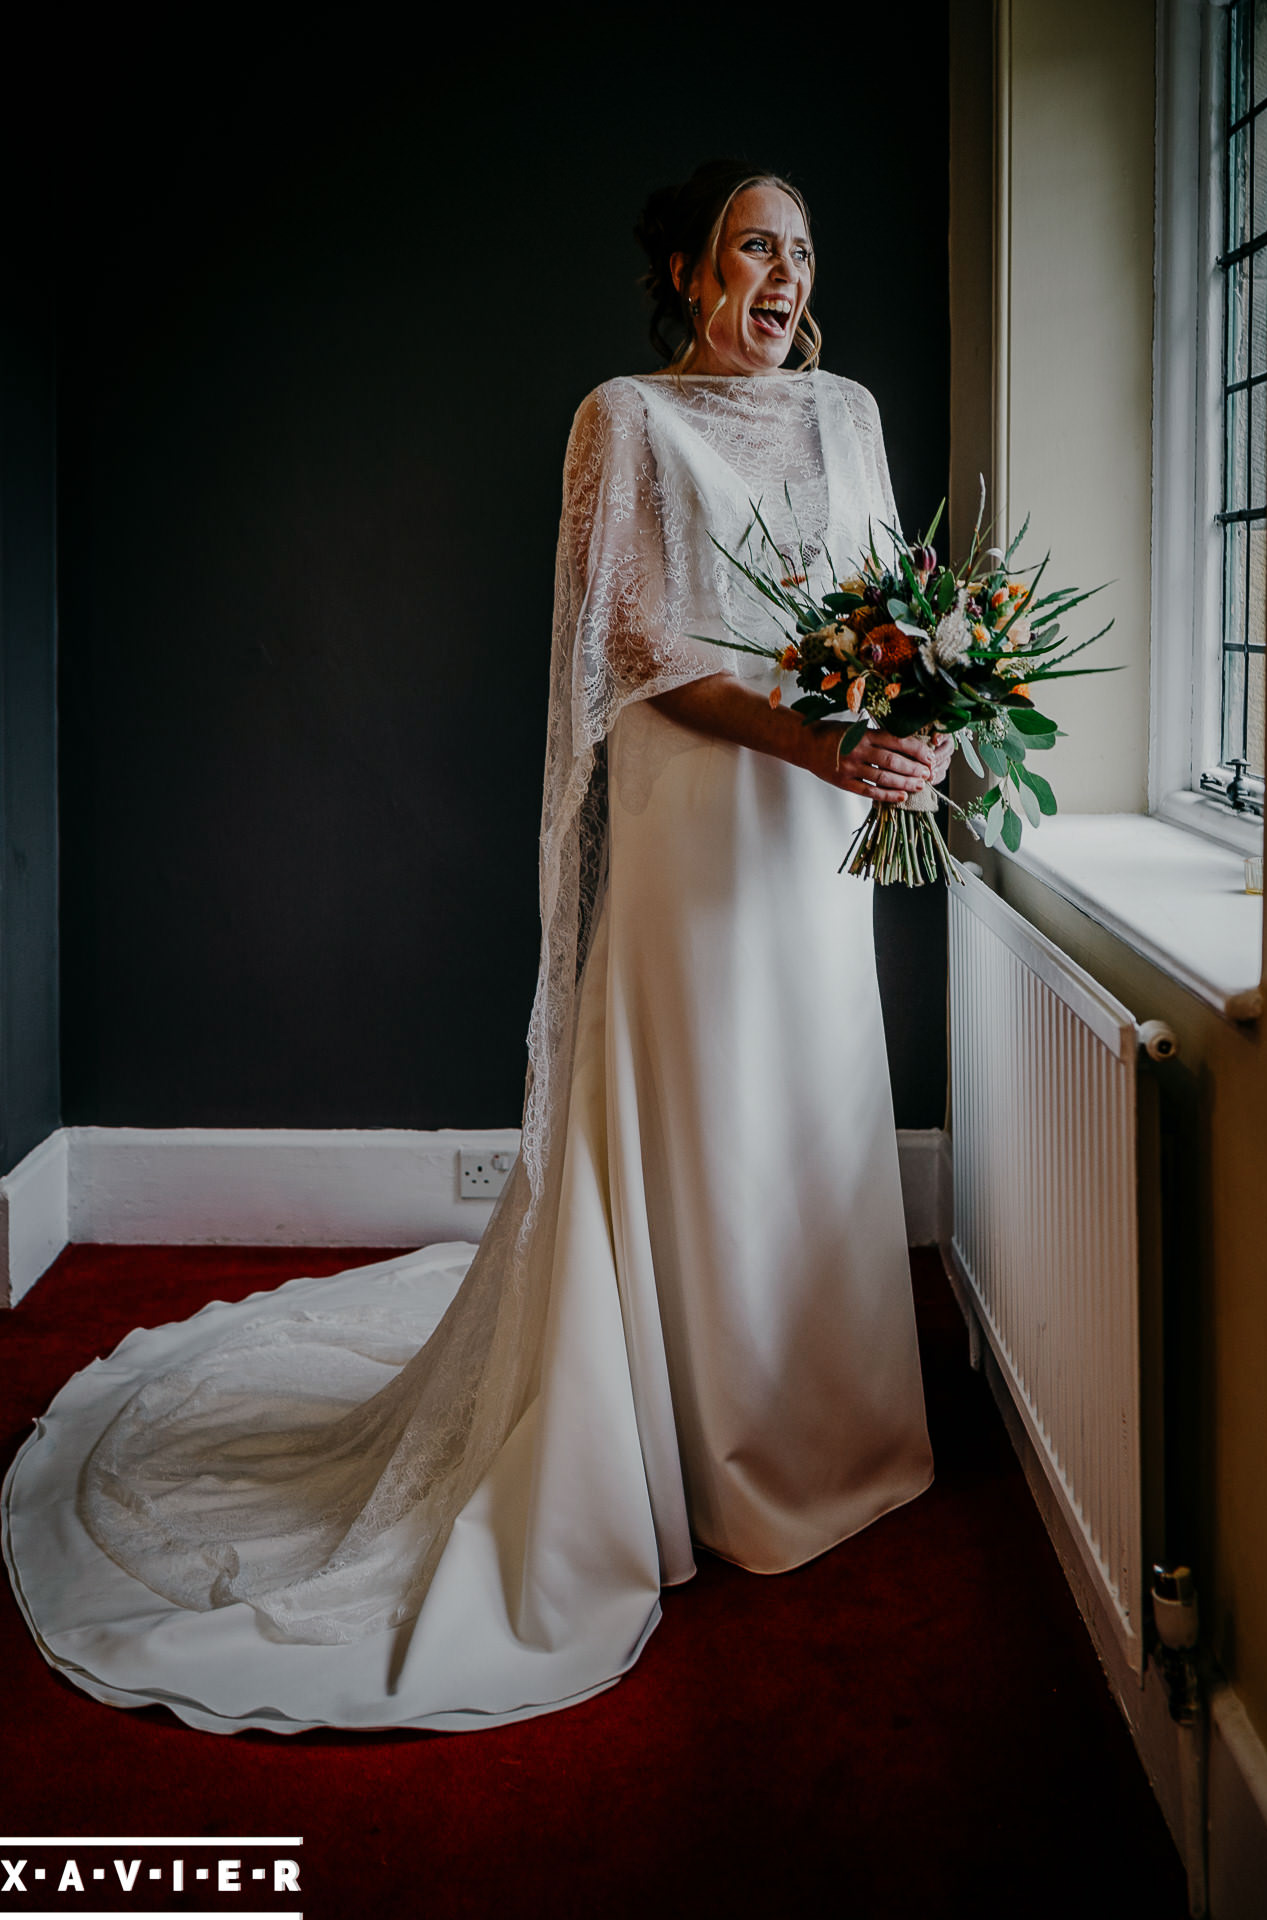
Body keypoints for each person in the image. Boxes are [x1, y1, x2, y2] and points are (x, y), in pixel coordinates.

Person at [2, 160, 942, 1734]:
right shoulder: (622, 418)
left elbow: (897, 609)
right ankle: (656, 1460)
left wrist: (913, 737)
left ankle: (809, 1432)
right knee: (695, 1122)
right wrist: (814, 743)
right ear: (685, 269)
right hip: (703, 810)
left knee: (806, 1108)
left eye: (799, 250)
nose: (781, 277)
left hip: (815, 840)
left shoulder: (849, 415)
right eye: (748, 249)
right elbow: (635, 648)